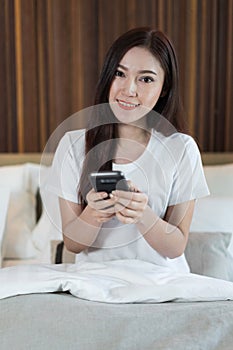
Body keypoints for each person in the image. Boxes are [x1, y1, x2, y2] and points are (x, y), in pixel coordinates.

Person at [46, 27, 209, 273]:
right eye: (120, 73)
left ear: (164, 88)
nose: (128, 89)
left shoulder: (181, 149)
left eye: (146, 79)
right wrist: (93, 213)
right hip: (96, 284)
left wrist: (142, 214)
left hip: (161, 285)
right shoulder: (73, 145)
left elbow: (176, 247)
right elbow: (73, 244)